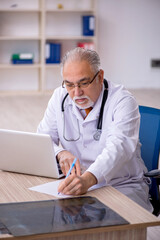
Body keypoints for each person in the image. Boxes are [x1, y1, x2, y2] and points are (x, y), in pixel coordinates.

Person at [37, 47, 153, 212]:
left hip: (120, 185)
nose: (77, 93)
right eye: (69, 85)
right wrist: (60, 153)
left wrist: (88, 180)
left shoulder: (122, 101)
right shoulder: (59, 97)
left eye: (83, 83)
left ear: (100, 76)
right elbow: (42, 137)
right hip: (77, 184)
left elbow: (118, 149)